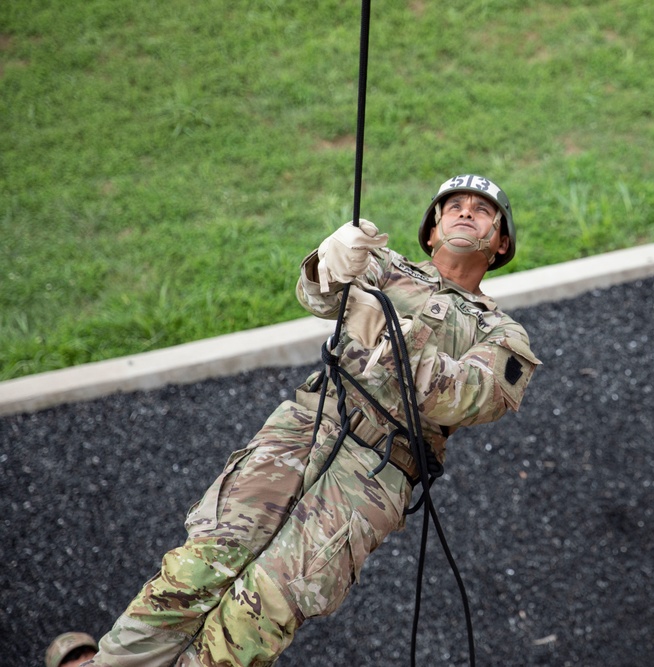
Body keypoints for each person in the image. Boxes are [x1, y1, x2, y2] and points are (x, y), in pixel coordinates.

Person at [69, 174, 539, 666]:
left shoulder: (503, 334)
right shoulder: (383, 267)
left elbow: (470, 398)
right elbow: (318, 296)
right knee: (199, 567)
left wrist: (390, 344)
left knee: (260, 611)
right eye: (453, 206)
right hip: (302, 429)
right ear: (431, 230)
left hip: (374, 477)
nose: (466, 212)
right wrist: (328, 263)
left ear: (501, 241)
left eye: (483, 210)